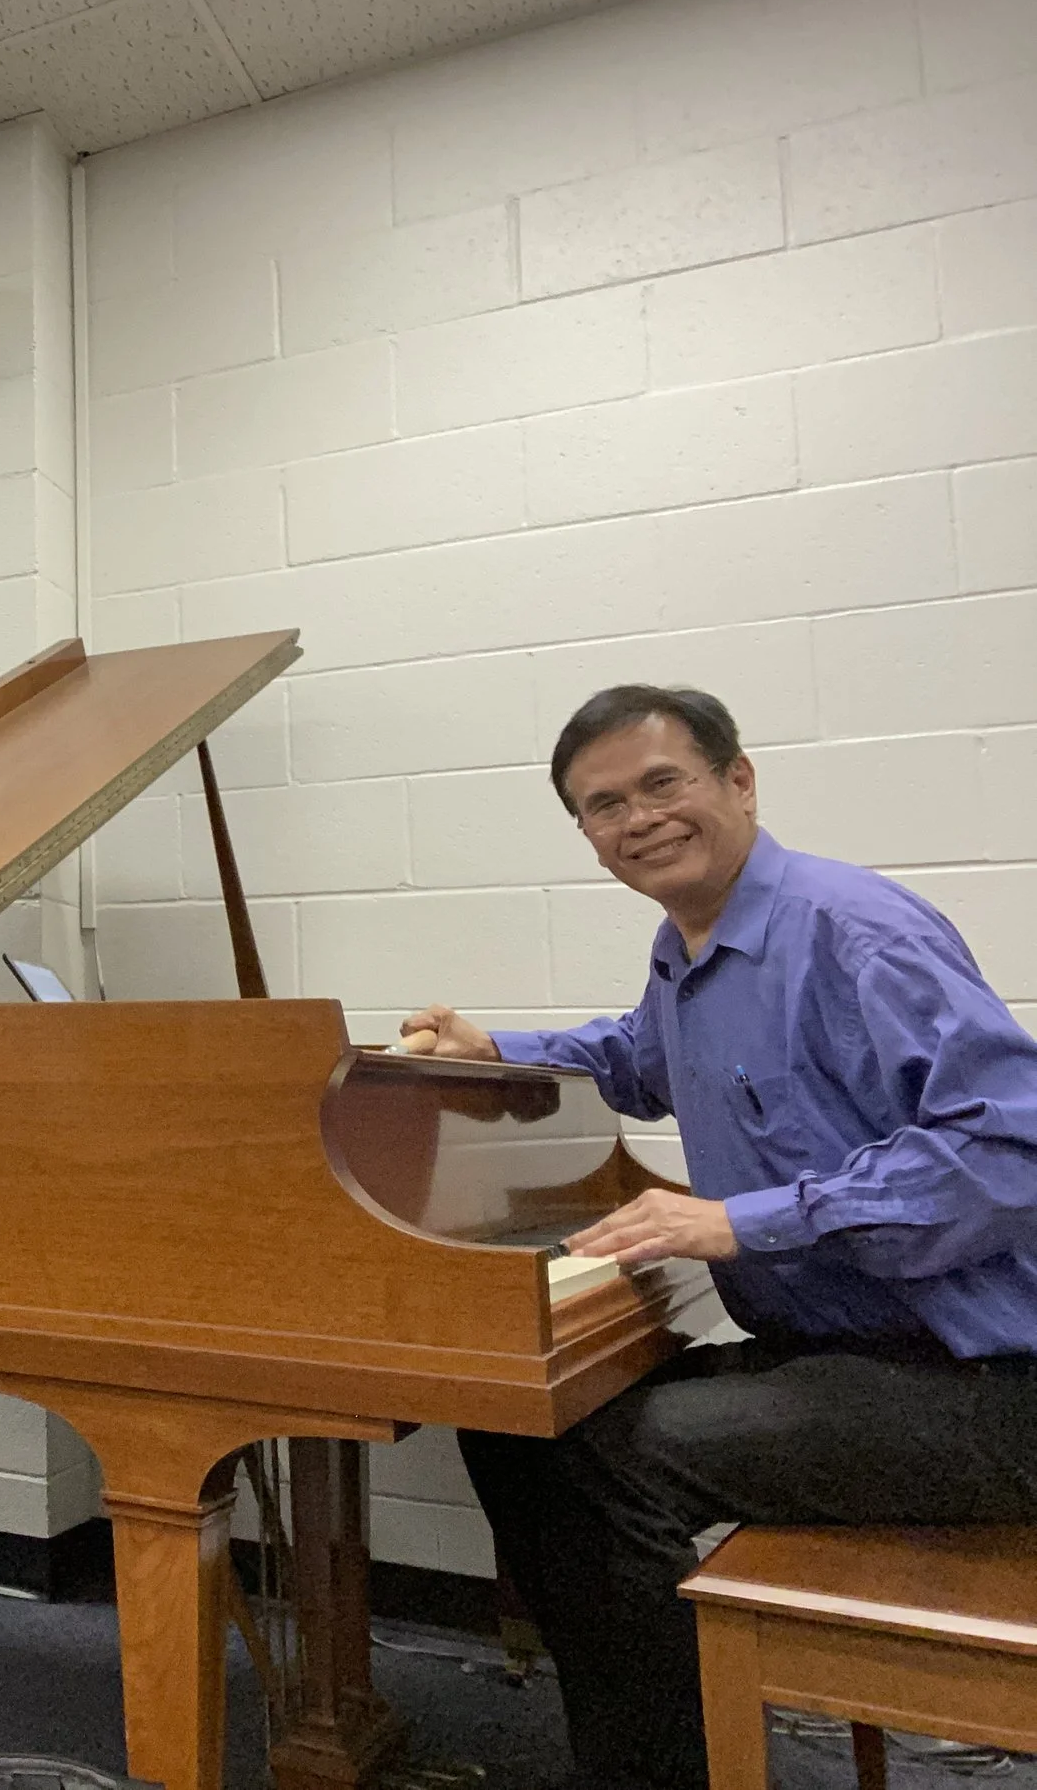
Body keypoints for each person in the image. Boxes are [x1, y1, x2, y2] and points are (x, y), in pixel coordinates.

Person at [399, 684, 1037, 1790]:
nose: (638, 819)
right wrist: (495, 1047)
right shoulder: (686, 948)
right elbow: (636, 1057)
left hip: (981, 1379)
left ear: (738, 781)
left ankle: (655, 1769)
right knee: (518, 1427)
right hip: (845, 1355)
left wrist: (738, 1221)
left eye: (662, 783)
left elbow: (1007, 1152)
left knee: (603, 1465)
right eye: (604, 806)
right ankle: (650, 1742)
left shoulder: (854, 931)